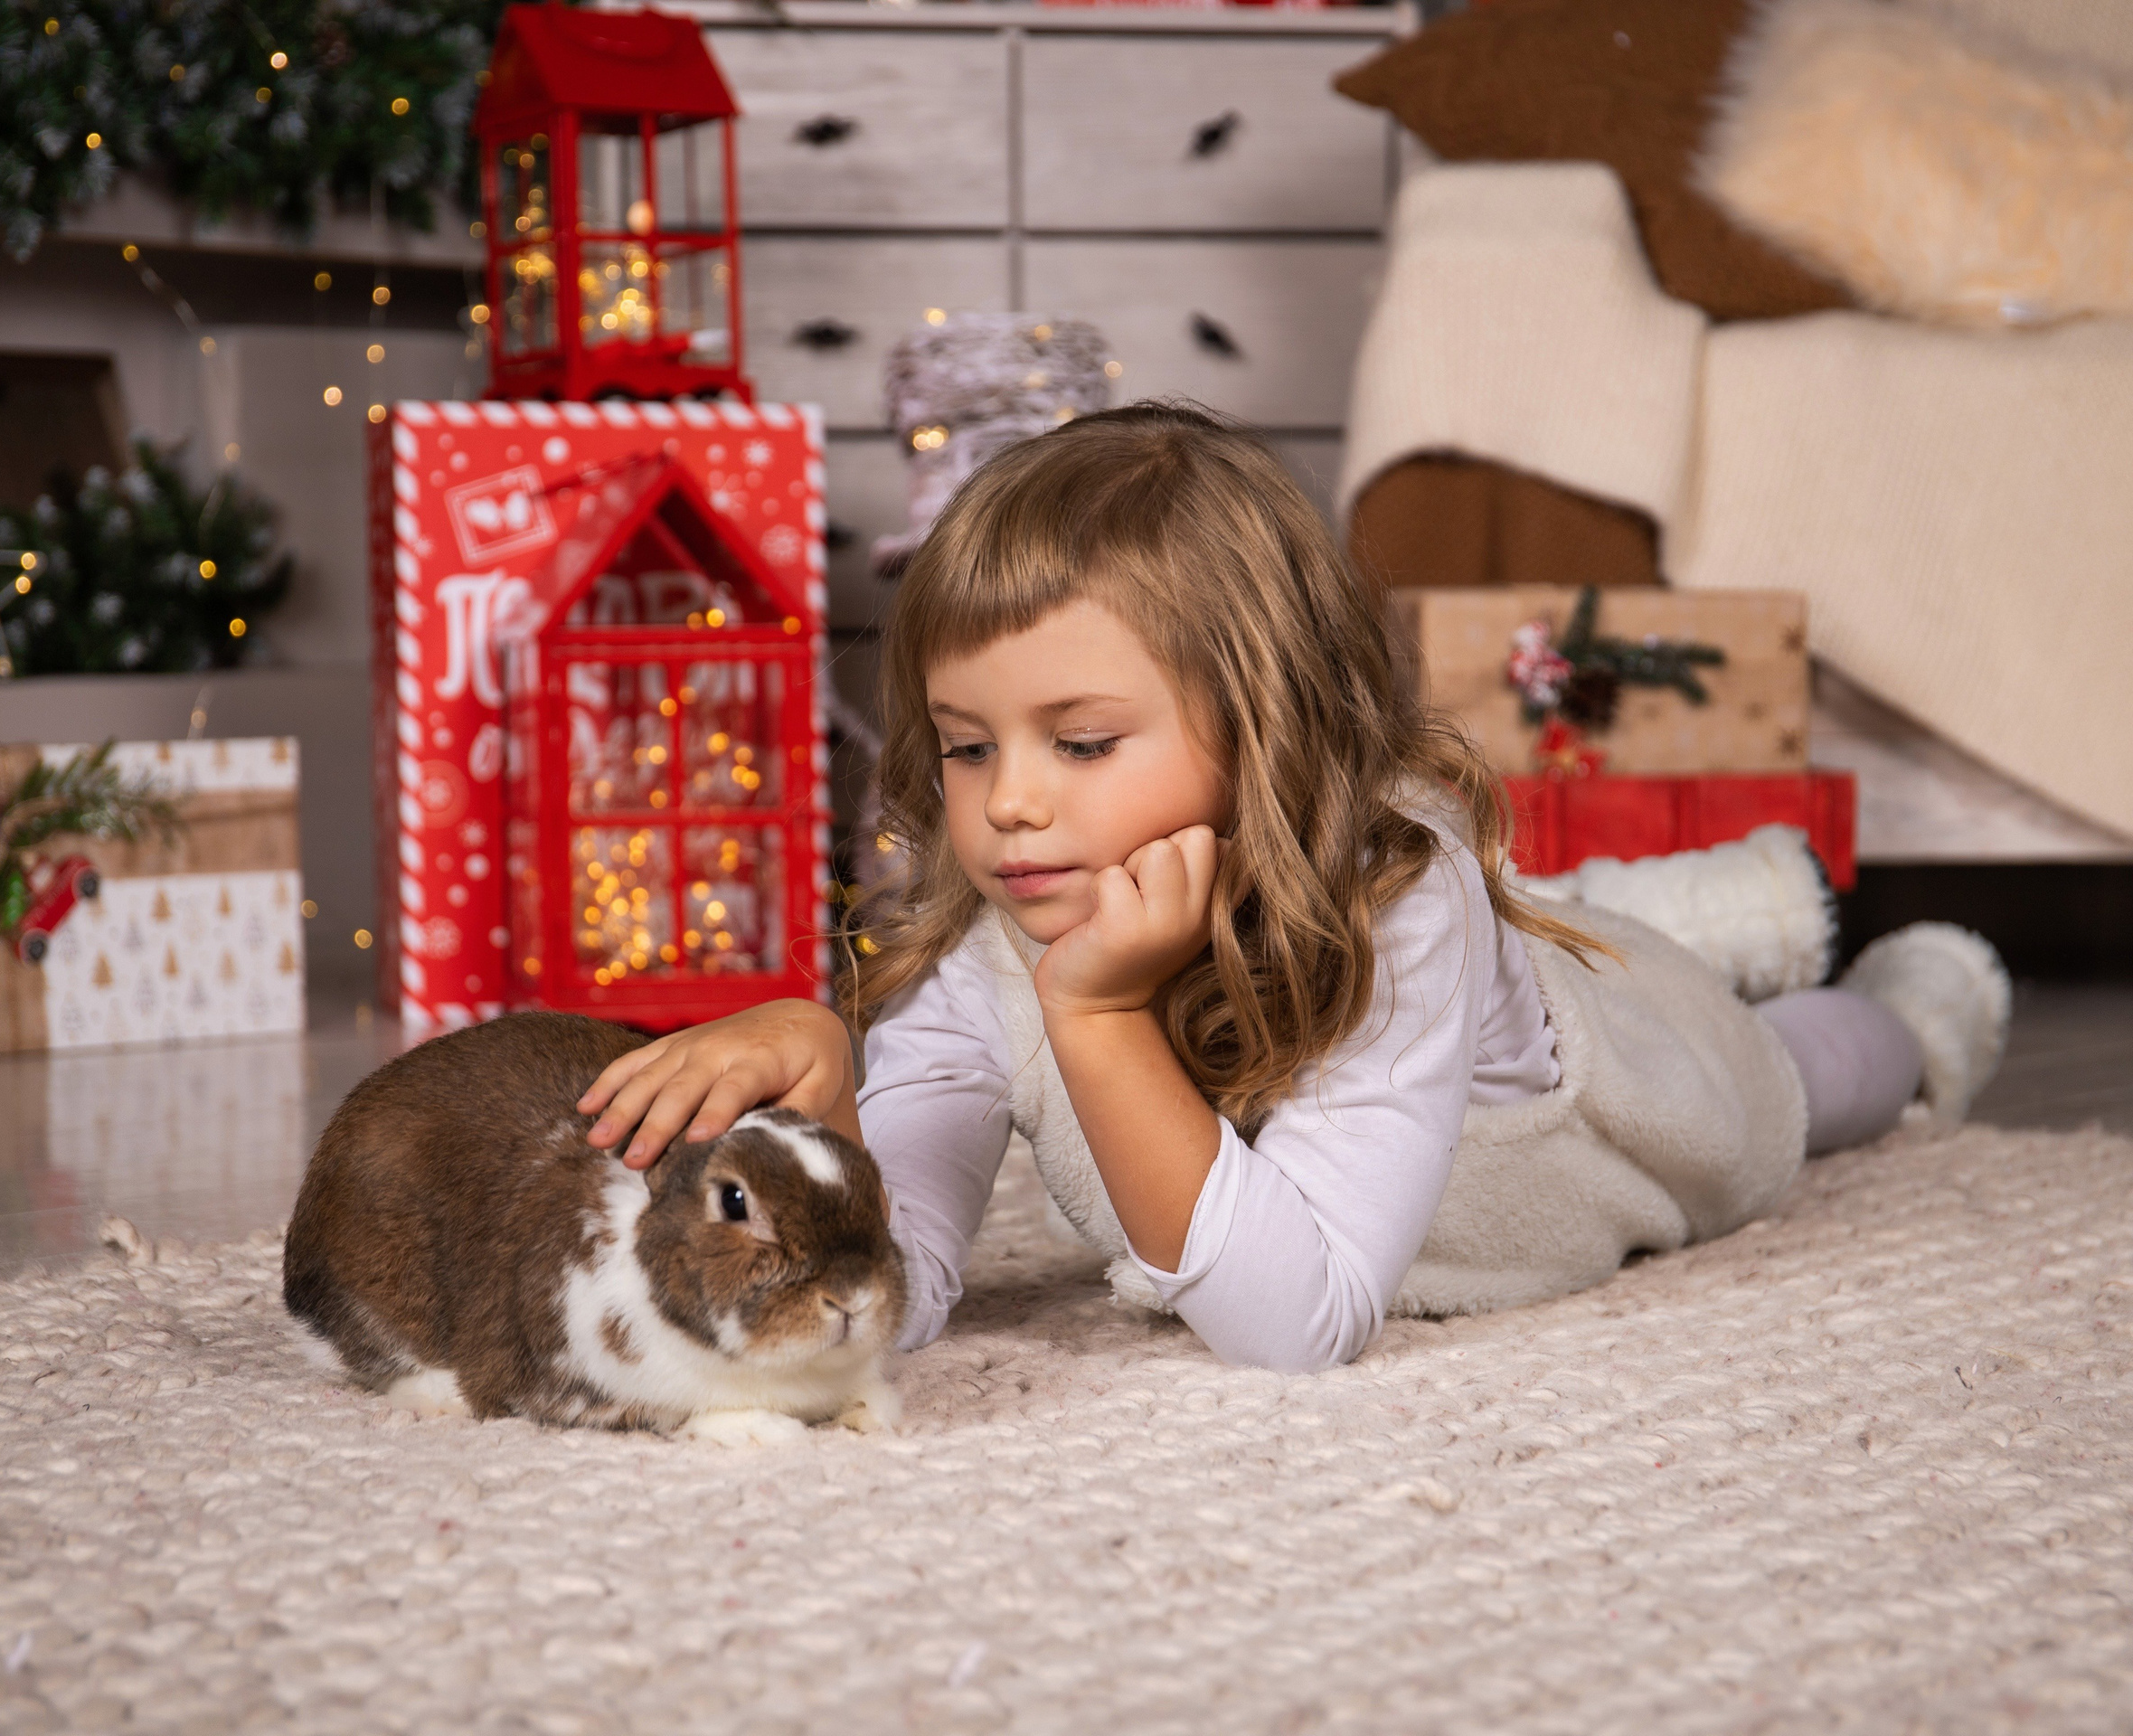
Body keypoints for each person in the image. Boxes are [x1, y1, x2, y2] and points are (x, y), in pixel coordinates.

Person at [578, 404, 2008, 1373]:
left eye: (1080, 743)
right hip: (1497, 985)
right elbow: (894, 1301)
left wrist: (1099, 1022)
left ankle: (1901, 998)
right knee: (1576, 913)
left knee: (1813, 1073)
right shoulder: (993, 944)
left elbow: (1303, 1322)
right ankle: (1700, 897)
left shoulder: (1401, 905)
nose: (1008, 801)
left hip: (1639, 1076)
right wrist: (820, 1106)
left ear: (1262, 727)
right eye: (967, 746)